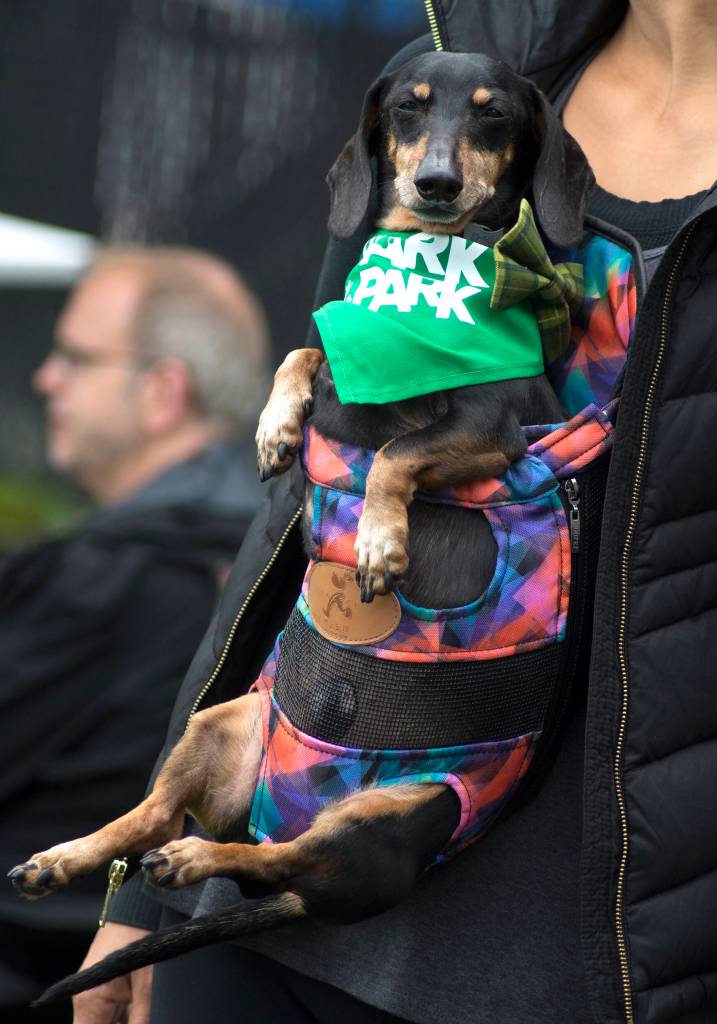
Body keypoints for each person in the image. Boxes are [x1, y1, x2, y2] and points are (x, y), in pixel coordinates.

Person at [72, 2, 717, 1022]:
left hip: (594, 947)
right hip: (261, 898)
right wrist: (144, 886)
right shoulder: (460, 73)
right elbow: (292, 513)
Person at [0, 247, 270, 1019]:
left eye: (76, 357)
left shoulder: (107, 582)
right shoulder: (287, 567)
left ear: (163, 392)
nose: (46, 377)